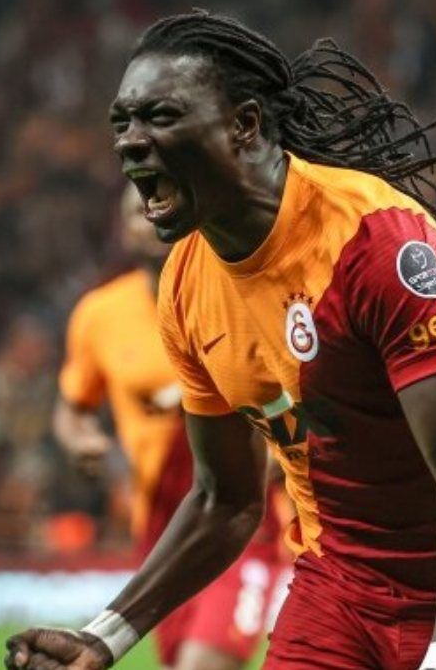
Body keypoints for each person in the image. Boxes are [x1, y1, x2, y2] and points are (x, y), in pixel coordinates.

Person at [6, 11, 436, 670]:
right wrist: (103, 637)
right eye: (122, 121)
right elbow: (225, 499)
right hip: (347, 588)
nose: (130, 141)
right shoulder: (184, 287)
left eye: (161, 116)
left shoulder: (375, 241)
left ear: (245, 124)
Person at [53, 188, 286, 670]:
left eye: (164, 200)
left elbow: (291, 385)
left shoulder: (239, 291)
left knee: (202, 664)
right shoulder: (99, 314)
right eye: (138, 210)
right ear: (123, 229)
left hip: (245, 513)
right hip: (165, 526)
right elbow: (73, 405)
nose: (151, 214)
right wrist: (81, 440)